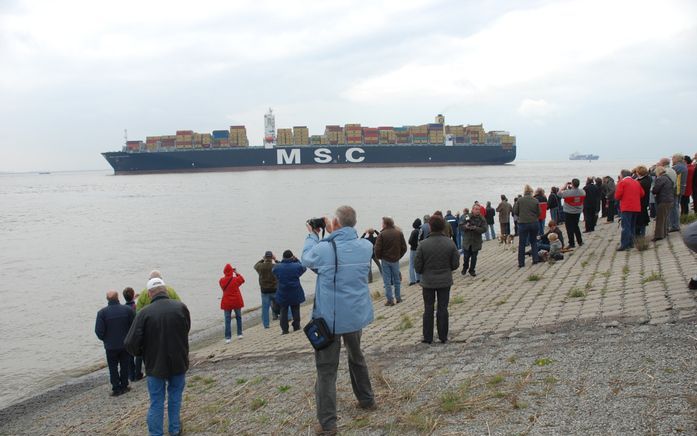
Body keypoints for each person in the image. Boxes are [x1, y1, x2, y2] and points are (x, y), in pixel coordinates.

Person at [301, 205, 376, 435]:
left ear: (337, 224)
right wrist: (335, 229)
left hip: (330, 321)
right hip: (354, 316)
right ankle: (367, 400)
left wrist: (313, 233)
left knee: (326, 371)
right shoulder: (366, 246)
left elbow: (306, 259)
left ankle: (328, 424)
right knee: (357, 357)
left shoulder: (325, 248)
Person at [125, 277, 190, 436]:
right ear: (166, 290)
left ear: (149, 294)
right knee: (175, 396)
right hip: (178, 360)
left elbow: (130, 342)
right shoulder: (180, 307)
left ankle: (156, 433)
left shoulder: (144, 313)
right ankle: (174, 430)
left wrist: (141, 353)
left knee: (157, 401)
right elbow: (186, 328)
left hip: (155, 363)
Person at [414, 215, 459, 344]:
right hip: (445, 280)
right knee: (443, 308)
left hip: (428, 281)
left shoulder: (423, 244)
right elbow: (455, 264)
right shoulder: (449, 243)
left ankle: (427, 337)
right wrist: (446, 269)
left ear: (430, 227)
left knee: (428, 308)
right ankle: (443, 336)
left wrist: (425, 271)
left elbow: (417, 266)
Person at [134, 270, 181, 381]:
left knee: (151, 351)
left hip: (151, 327)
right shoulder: (170, 290)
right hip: (170, 325)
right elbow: (179, 305)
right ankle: (172, 366)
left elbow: (138, 312)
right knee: (170, 347)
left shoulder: (144, 293)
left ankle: (148, 370)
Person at [95, 290, 135, 397]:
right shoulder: (127, 310)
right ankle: (124, 385)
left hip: (110, 346)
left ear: (107, 299)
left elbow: (99, 331)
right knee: (124, 365)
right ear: (118, 298)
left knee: (112, 367)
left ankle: (116, 388)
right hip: (124, 343)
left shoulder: (102, 313)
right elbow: (134, 326)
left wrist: (106, 339)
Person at [373, 216, 407, 306]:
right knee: (397, 280)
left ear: (385, 224)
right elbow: (404, 247)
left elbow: (377, 249)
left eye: (382, 223)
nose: (381, 224)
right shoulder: (398, 233)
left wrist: (380, 257)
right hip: (395, 260)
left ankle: (390, 300)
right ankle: (398, 298)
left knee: (387, 281)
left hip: (385, 260)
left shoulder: (382, 234)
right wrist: (399, 256)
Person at [272, 250, 306, 334]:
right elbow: (303, 267)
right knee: (295, 309)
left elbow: (274, 272)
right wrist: (296, 259)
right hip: (295, 291)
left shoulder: (277, 267)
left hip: (283, 292)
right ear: (292, 257)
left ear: (283, 257)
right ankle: (296, 326)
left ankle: (285, 329)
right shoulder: (296, 266)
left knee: (283, 310)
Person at [615, 169, 645, 251]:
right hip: (636, 207)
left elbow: (617, 196)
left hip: (626, 207)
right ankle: (631, 243)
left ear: (622, 175)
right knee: (632, 226)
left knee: (625, 226)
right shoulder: (636, 182)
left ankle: (624, 244)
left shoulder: (622, 182)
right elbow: (642, 194)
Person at [513, 184, 541, 267]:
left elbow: (515, 211)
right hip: (534, 223)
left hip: (523, 223)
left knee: (522, 243)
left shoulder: (519, 200)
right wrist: (534, 217)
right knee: (534, 241)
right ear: (531, 192)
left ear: (524, 192)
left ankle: (521, 263)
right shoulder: (535, 200)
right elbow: (539, 212)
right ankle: (535, 259)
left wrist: (521, 216)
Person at [254, 251, 280, 329]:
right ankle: (288, 316)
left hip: (264, 290)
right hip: (274, 289)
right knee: (283, 304)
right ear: (271, 257)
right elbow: (282, 265)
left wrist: (262, 260)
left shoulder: (260, 266)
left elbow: (255, 266)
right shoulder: (275, 266)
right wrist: (276, 260)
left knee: (265, 309)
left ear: (265, 257)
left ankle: (266, 324)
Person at [219, 263, 245, 342]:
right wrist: (236, 273)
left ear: (224, 271)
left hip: (227, 302)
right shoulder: (235, 279)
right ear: (231, 271)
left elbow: (222, 286)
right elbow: (242, 280)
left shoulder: (221, 281)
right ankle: (239, 334)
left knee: (227, 319)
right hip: (236, 300)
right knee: (238, 317)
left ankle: (228, 337)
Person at [459, 206, 486, 276]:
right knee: (466, 257)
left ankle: (472, 270)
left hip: (476, 241)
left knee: (474, 257)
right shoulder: (467, 217)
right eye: (476, 209)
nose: (478, 211)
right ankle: (465, 268)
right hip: (467, 241)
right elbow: (460, 226)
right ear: (472, 210)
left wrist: (476, 228)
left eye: (479, 210)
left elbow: (484, 229)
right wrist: (466, 226)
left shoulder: (482, 218)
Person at [559, 179, 585, 248]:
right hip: (578, 211)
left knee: (569, 228)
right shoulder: (582, 192)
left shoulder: (567, 193)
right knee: (576, 226)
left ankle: (571, 243)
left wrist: (564, 186)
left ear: (572, 184)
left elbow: (559, 193)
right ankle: (580, 241)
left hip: (569, 211)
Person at [651, 166, 674, 242]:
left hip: (663, 200)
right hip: (669, 200)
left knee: (660, 218)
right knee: (665, 217)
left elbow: (655, 189)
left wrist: (652, 190)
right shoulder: (668, 178)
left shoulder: (660, 179)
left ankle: (658, 235)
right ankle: (664, 232)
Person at [122, 287, 137, 382]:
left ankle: (131, 375)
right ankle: (138, 373)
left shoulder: (124, 308)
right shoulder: (135, 307)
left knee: (129, 357)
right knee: (139, 354)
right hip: (135, 333)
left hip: (127, 334)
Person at [670, 154, 687, 231]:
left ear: (677, 159)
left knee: (674, 208)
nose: (672, 160)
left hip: (676, 190)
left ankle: (675, 225)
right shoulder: (683, 166)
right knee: (676, 207)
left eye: (673, 158)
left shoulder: (677, 167)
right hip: (680, 189)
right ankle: (675, 224)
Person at [635, 165, 652, 237]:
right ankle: (640, 233)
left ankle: (640, 234)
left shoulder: (642, 182)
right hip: (644, 201)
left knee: (640, 218)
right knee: (642, 217)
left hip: (641, 201)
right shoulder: (647, 179)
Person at [407, 218, 422, 286]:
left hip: (413, 249)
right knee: (418, 263)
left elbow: (410, 241)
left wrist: (412, 244)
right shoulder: (421, 231)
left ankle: (412, 280)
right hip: (420, 249)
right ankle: (419, 278)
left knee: (411, 264)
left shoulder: (414, 232)